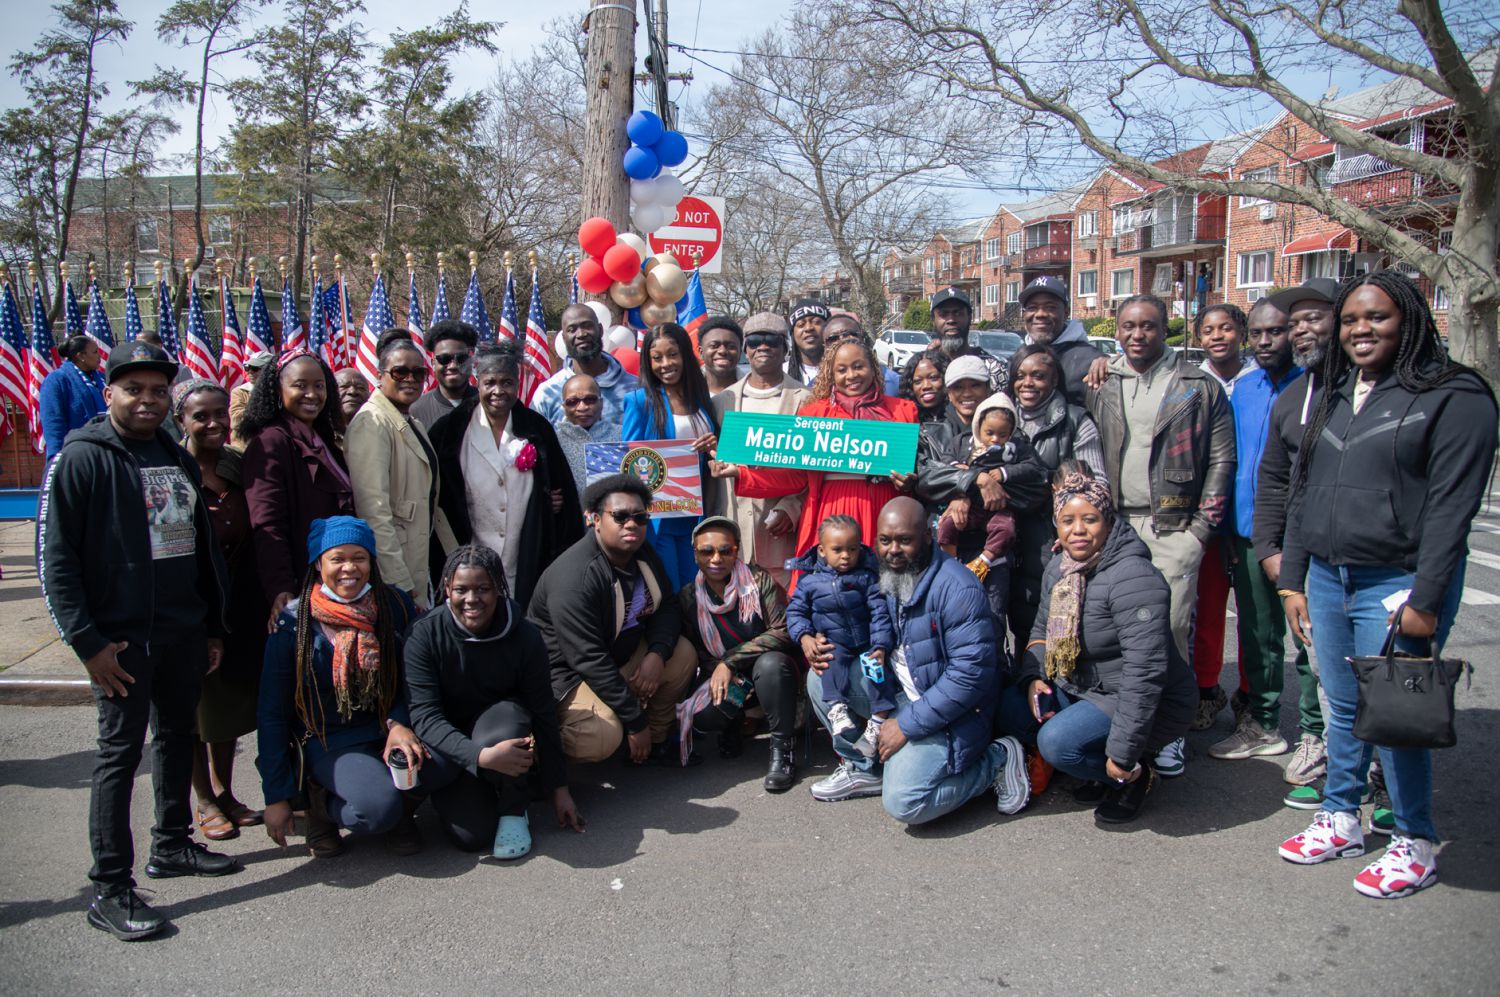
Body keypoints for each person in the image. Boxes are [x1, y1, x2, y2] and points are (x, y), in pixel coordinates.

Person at [1276, 270, 1497, 899]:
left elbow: (1453, 512)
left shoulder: (1456, 396)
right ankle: (1341, 816)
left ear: (1411, 319)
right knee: (1342, 706)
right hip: (1326, 574)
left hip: (1396, 582)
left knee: (1395, 715)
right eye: (1350, 320)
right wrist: (1294, 580)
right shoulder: (1335, 391)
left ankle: (1413, 839)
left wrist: (1426, 600)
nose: (1360, 330)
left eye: (1377, 317)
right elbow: (1303, 493)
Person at [38, 340, 236, 942]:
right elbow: (58, 562)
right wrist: (88, 644)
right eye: (134, 389)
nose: (147, 400)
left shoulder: (173, 457)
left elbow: (198, 548)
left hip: (181, 632)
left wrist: (209, 626)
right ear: (110, 393)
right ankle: (110, 886)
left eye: (157, 391)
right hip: (120, 645)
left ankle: (172, 845)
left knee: (179, 737)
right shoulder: (82, 458)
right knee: (119, 757)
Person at [806, 497, 1028, 823]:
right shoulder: (879, 572)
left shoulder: (957, 588)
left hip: (953, 714)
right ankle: (866, 767)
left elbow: (969, 676)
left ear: (928, 535)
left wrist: (905, 726)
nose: (893, 549)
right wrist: (811, 638)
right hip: (897, 693)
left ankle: (997, 760)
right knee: (820, 676)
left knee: (906, 803)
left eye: (904, 540)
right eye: (885, 540)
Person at [1087, 293, 1234, 778]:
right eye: (1128, 326)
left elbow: (1220, 461)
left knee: (1167, 632)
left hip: (1172, 526)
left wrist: (1199, 532)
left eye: (1147, 326)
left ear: (1165, 328)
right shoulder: (1103, 381)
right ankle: (1126, 728)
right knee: (1117, 635)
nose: (1136, 335)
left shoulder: (1196, 385)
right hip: (1114, 527)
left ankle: (1168, 733)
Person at [1008, 465, 1196, 822]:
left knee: (1056, 743)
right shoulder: (1060, 566)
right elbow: (1040, 630)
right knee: (1010, 708)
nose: (1078, 530)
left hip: (1135, 696)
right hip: (1082, 684)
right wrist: (1034, 679)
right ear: (1057, 526)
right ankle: (1093, 762)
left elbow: (1144, 677)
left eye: (1090, 519)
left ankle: (1133, 775)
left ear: (1107, 521)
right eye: (1068, 521)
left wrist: (1122, 753)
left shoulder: (1134, 577)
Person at [257, 516, 448, 858]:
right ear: (318, 564)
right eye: (337, 558)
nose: (349, 568)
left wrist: (398, 722)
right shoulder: (292, 622)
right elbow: (271, 713)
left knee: (448, 760)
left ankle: (401, 811)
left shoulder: (394, 606)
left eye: (359, 557)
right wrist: (277, 796)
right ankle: (322, 809)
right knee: (377, 808)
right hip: (330, 739)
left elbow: (412, 677)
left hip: (386, 726)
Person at [404, 544, 583, 859]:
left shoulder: (526, 636)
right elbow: (425, 717)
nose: (472, 599)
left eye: (483, 589)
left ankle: (515, 807)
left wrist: (560, 788)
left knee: (506, 723)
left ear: (499, 588)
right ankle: (487, 787)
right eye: (461, 589)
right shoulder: (423, 635)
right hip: (455, 743)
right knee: (470, 836)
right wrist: (479, 757)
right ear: (447, 588)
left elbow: (543, 712)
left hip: (500, 728)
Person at [1194, 301, 1305, 770]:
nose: (1265, 341)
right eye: (1260, 332)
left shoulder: (1306, 386)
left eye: (1274, 332)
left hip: (1280, 530)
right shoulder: (1240, 388)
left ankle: (1269, 718)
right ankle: (1221, 699)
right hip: (1225, 526)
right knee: (1220, 619)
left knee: (1273, 630)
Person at [527, 474, 698, 766]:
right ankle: (539, 752)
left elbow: (667, 606)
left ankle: (652, 744)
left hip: (618, 657)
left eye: (640, 517)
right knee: (601, 736)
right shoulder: (575, 578)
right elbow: (588, 658)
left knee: (681, 654)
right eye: (619, 516)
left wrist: (657, 653)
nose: (631, 524)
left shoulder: (640, 553)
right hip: (568, 676)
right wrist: (634, 721)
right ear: (593, 519)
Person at [1252, 279, 1341, 802]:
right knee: (1313, 650)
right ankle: (1319, 739)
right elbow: (1275, 480)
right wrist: (1270, 548)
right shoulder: (1293, 397)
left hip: (1361, 558)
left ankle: (1364, 771)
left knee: (1345, 664)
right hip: (1296, 551)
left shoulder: (1363, 390)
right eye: (1296, 322)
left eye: (1316, 318)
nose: (1302, 330)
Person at [712, 338, 917, 557]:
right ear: (831, 375)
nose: (851, 375)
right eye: (842, 370)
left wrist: (907, 483)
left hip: (884, 512)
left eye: (859, 366)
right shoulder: (815, 415)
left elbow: (917, 472)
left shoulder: (902, 411)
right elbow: (795, 477)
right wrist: (741, 474)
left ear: (873, 368)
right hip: (829, 512)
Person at [173, 380, 268, 842]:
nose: (213, 423)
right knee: (193, 708)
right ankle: (204, 800)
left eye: (219, 414)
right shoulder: (170, 469)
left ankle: (225, 790)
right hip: (191, 605)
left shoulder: (237, 463)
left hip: (239, 605)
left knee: (225, 707)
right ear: (181, 422)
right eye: (200, 416)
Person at [429, 343, 582, 608]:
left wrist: (548, 504)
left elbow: (559, 488)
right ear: (478, 383)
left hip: (524, 553)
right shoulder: (451, 430)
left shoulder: (537, 429)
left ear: (518, 384)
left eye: (507, 382)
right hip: (471, 551)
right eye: (490, 382)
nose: (498, 391)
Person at [677, 517, 801, 791]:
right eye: (706, 551)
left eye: (726, 550)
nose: (716, 558)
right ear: (695, 554)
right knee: (703, 715)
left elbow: (783, 631)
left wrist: (730, 662)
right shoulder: (688, 597)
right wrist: (722, 669)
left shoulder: (759, 580)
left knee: (771, 665)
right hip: (730, 676)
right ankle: (730, 724)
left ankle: (783, 749)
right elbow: (698, 650)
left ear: (737, 550)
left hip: (771, 673)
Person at [240, 351, 355, 624]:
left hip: (332, 577)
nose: (312, 394)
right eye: (300, 385)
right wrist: (280, 586)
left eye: (319, 385)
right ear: (278, 390)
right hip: (297, 583)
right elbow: (267, 522)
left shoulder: (322, 438)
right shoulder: (270, 443)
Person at [346, 336, 457, 610]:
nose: (410, 379)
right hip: (398, 565)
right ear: (379, 375)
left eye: (418, 372)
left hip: (423, 555)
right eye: (400, 372)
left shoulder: (411, 421)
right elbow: (373, 511)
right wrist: (398, 582)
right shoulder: (371, 423)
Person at [711, 312, 808, 589]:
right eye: (754, 341)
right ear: (745, 349)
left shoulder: (807, 401)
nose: (763, 347)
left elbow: (815, 470)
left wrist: (791, 508)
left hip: (780, 536)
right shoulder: (722, 403)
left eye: (772, 341)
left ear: (786, 348)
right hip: (733, 535)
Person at [621, 323, 720, 590]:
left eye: (673, 354)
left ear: (686, 355)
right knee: (669, 590)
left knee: (696, 588)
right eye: (657, 357)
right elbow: (628, 460)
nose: (666, 363)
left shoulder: (701, 398)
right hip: (660, 517)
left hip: (697, 513)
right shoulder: (639, 401)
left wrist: (714, 445)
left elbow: (716, 455)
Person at [788, 514, 895, 755]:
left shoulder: (867, 577)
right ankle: (837, 708)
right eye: (837, 549)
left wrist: (880, 646)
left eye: (852, 549)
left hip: (867, 641)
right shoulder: (809, 583)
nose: (846, 555)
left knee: (878, 673)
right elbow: (795, 613)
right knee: (829, 663)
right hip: (836, 642)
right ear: (822, 550)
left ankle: (878, 722)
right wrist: (805, 637)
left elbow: (879, 613)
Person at [936, 394, 1022, 581]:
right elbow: (945, 465)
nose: (995, 439)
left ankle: (983, 562)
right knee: (947, 524)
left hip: (997, 509)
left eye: (1002, 435)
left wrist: (1006, 474)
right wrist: (969, 476)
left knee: (1007, 529)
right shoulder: (963, 444)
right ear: (978, 428)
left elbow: (1033, 469)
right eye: (989, 433)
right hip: (969, 508)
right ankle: (949, 564)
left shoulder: (1014, 451)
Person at [533, 304, 637, 427]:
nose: (581, 334)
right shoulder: (547, 393)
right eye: (572, 329)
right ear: (564, 337)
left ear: (600, 330)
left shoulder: (635, 389)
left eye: (587, 326)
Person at [1017, 276, 1104, 407]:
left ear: (1066, 312)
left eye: (1050, 307)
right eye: (1032, 307)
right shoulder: (1018, 357)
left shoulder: (1092, 363)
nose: (1040, 314)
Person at [39, 334, 107, 461]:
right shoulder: (57, 379)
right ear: (81, 356)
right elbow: (53, 422)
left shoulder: (102, 379)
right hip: (76, 453)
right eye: (95, 352)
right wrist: (56, 457)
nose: (100, 356)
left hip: (106, 449)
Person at [555, 372, 621, 498]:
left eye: (589, 399)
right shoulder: (554, 441)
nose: (582, 407)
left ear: (601, 403)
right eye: (572, 402)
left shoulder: (622, 435)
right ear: (564, 406)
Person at [930, 286, 1007, 389]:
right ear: (933, 320)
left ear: (970, 317)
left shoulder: (992, 369)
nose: (951, 320)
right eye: (943, 314)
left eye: (958, 313)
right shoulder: (924, 368)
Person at [408, 319, 478, 430]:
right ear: (433, 364)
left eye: (461, 358)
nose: (453, 366)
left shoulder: (487, 404)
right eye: (444, 359)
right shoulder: (416, 411)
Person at [822, 314, 902, 395]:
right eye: (833, 339)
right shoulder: (815, 387)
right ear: (824, 346)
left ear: (862, 337)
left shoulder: (894, 384)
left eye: (849, 334)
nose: (842, 341)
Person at [1197, 303, 1257, 396]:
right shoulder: (1193, 383)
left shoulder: (1262, 378)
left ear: (1242, 334)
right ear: (1200, 340)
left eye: (1226, 329)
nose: (1216, 336)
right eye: (1208, 332)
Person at [229, 351, 275, 447]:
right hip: (245, 448)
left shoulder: (280, 391)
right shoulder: (240, 392)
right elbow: (237, 421)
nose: (250, 372)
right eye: (247, 368)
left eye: (255, 368)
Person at [786, 298, 830, 386]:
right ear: (793, 334)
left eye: (816, 322)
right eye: (801, 324)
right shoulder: (781, 373)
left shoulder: (843, 369)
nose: (808, 328)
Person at [899, 350, 949, 424]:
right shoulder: (904, 421)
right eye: (918, 381)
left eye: (933, 378)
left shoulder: (960, 418)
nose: (926, 386)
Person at [699, 316, 743, 394]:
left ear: (740, 351)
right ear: (701, 352)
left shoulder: (754, 389)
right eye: (714, 346)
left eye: (731, 346)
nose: (722, 351)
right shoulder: (686, 391)